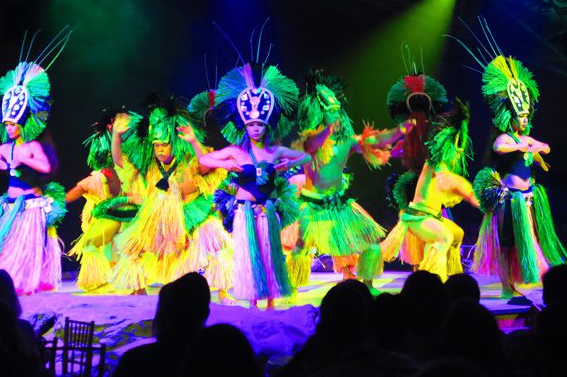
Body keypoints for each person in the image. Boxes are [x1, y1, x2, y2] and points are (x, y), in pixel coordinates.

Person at [287, 69, 414, 290]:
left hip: (339, 206)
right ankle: (291, 288)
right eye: (331, 111)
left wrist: (400, 130)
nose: (336, 115)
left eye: (338, 111)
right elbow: (313, 145)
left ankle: (367, 283)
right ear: (320, 113)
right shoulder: (310, 141)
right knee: (300, 246)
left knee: (371, 243)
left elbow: (376, 139)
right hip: (312, 207)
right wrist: (327, 128)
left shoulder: (346, 142)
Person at [199, 62, 310, 309]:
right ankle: (252, 300)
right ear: (245, 126)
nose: (256, 128)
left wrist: (281, 167)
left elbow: (306, 157)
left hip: (267, 210)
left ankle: (270, 300)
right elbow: (204, 159)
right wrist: (225, 166)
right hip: (245, 210)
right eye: (251, 125)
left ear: (267, 126)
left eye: (260, 124)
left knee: (270, 255)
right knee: (250, 256)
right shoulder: (236, 152)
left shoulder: (274, 152)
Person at [111, 95, 234, 301]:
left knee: (214, 240)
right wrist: (116, 136)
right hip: (157, 217)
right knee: (134, 247)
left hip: (189, 214)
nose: (159, 149)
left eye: (164, 144)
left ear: (174, 142)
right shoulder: (150, 163)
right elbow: (121, 163)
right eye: (156, 144)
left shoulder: (187, 160)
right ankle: (137, 289)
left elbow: (206, 164)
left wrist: (194, 141)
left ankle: (223, 291)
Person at [0, 61, 66, 295]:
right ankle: (7, 281)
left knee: (26, 249)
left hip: (29, 207)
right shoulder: (6, 148)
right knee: (6, 248)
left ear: (22, 122)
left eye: (12, 124)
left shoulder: (31, 146)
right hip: (9, 207)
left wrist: (23, 158)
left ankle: (26, 282)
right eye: (6, 124)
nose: (8, 129)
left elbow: (45, 166)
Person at [470, 54, 567, 299]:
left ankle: (517, 281)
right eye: (520, 116)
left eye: (526, 116)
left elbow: (545, 146)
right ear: (510, 116)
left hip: (527, 198)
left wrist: (535, 148)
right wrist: (520, 148)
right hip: (509, 199)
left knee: (526, 239)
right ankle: (505, 286)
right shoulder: (506, 138)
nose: (524, 119)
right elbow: (498, 148)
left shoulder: (526, 138)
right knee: (507, 244)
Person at [381, 100, 479, 281]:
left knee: (458, 234)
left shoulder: (443, 165)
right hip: (418, 217)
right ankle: (433, 279)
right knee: (444, 237)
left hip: (433, 216)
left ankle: (451, 274)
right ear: (447, 144)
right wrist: (470, 195)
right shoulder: (435, 163)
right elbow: (447, 180)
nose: (459, 152)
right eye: (458, 146)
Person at [66, 108, 136, 292]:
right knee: (101, 246)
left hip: (128, 207)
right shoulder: (109, 159)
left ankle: (124, 285)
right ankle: (104, 281)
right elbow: (114, 159)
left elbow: (118, 160)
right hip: (111, 205)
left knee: (121, 250)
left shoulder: (133, 157)